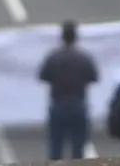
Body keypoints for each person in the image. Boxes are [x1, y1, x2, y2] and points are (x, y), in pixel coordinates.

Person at [37, 20, 99, 160]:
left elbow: (42, 76)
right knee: (78, 149)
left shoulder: (53, 57)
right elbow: (94, 77)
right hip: (78, 104)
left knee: (56, 148)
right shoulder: (83, 58)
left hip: (58, 104)